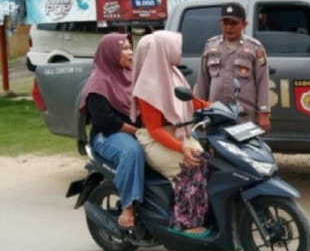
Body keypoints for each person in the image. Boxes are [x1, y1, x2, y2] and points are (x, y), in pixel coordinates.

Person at [131, 30, 211, 237]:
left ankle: (202, 214)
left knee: (209, 162)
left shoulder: (174, 74)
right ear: (164, 51)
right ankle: (184, 223)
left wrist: (219, 108)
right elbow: (155, 129)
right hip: (156, 141)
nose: (180, 51)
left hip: (179, 135)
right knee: (191, 168)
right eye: (176, 47)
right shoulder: (148, 86)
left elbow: (191, 102)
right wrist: (180, 148)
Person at [79, 33, 143, 230]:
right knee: (131, 152)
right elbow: (105, 121)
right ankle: (128, 207)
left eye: (130, 47)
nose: (130, 52)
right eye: (124, 48)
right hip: (107, 136)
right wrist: (138, 132)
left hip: (131, 131)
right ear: (110, 53)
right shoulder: (98, 83)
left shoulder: (130, 75)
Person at [195, 2, 271, 132]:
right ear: (220, 24)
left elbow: (262, 82)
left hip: (244, 116)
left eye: (234, 23)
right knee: (218, 150)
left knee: (245, 151)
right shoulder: (211, 46)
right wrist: (199, 111)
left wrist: (264, 113)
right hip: (216, 114)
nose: (229, 27)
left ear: (244, 24)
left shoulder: (255, 48)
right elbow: (203, 81)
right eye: (225, 23)